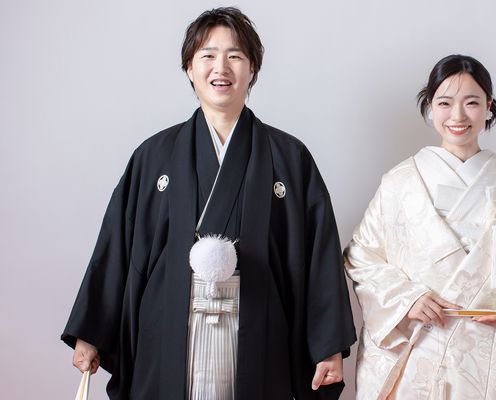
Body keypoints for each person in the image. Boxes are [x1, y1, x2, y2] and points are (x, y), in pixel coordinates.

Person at [62, 7, 356, 400]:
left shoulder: (289, 157)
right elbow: (117, 246)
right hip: (169, 327)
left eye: (235, 55)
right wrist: (92, 332)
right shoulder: (154, 155)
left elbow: (319, 257)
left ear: (252, 68)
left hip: (256, 330)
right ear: (189, 67)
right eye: (208, 55)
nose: (222, 67)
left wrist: (327, 346)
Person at [344, 54, 496, 399]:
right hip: (420, 343)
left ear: (489, 107)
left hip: (493, 348)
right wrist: (406, 298)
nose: (457, 116)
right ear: (429, 107)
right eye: (445, 103)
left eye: (471, 102)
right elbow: (361, 256)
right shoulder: (400, 183)